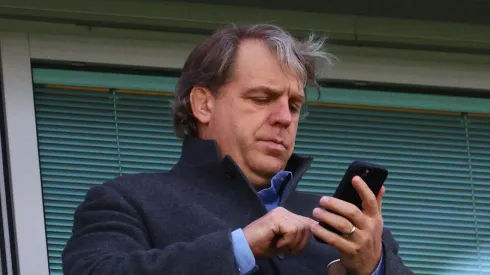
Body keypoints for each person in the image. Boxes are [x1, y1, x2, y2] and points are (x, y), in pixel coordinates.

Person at [62, 23, 414, 275]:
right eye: (262, 99)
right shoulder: (127, 201)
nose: (283, 118)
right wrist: (239, 248)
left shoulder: (345, 226)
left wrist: (372, 267)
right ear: (203, 105)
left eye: (293, 105)